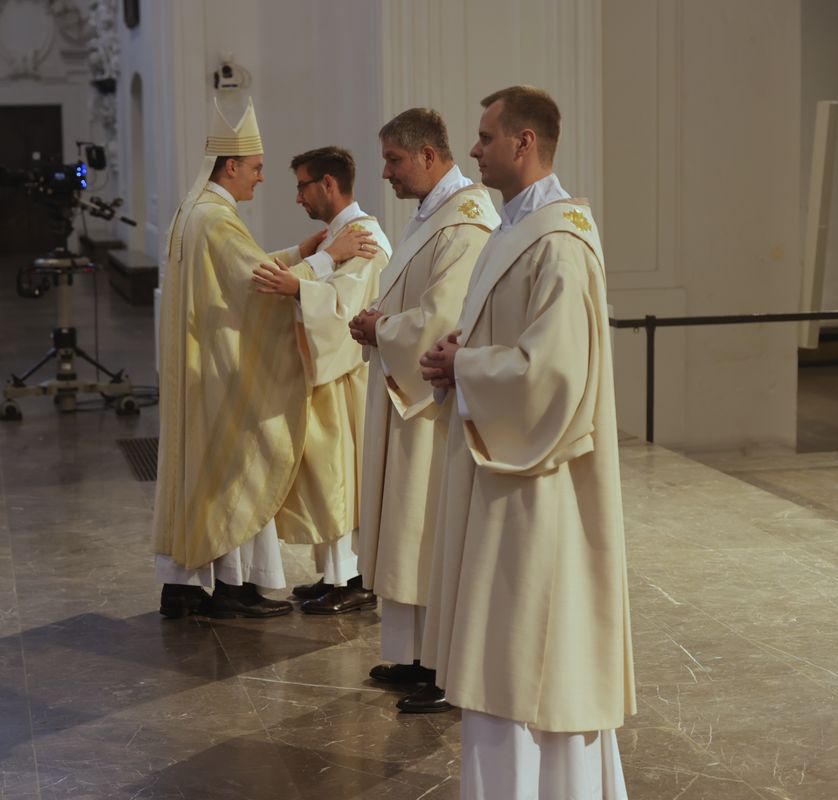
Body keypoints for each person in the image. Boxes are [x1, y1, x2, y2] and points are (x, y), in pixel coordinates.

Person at [418, 86, 635, 799]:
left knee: (526, 657)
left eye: (484, 138)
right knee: (505, 655)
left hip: (538, 482)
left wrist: (466, 367)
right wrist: (464, 350)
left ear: (524, 144)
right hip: (503, 472)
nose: (473, 150)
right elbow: (516, 341)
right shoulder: (515, 229)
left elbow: (555, 373)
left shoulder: (562, 244)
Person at [153, 98, 377, 620]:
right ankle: (229, 588)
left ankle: (195, 586)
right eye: (255, 169)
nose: (260, 180)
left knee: (216, 473)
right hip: (221, 371)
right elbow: (256, 287)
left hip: (205, 365)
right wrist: (328, 258)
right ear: (230, 166)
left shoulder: (197, 212)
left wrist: (301, 255)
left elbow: (249, 271)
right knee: (236, 471)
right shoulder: (214, 219)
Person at [348, 108, 498, 714]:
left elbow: (442, 318)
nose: (385, 173)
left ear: (430, 157)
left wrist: (381, 325)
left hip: (431, 405)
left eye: (394, 161)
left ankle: (444, 666)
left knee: (430, 529)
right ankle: (416, 655)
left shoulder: (466, 222)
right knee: (410, 529)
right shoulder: (432, 215)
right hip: (403, 395)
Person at [252, 146, 392, 615]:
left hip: (346, 375)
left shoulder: (366, 237)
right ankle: (332, 574)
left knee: (341, 480)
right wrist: (313, 269)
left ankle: (353, 578)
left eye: (302, 186)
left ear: (328, 184)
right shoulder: (337, 237)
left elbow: (345, 308)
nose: (298, 198)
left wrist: (299, 286)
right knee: (326, 479)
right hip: (327, 374)